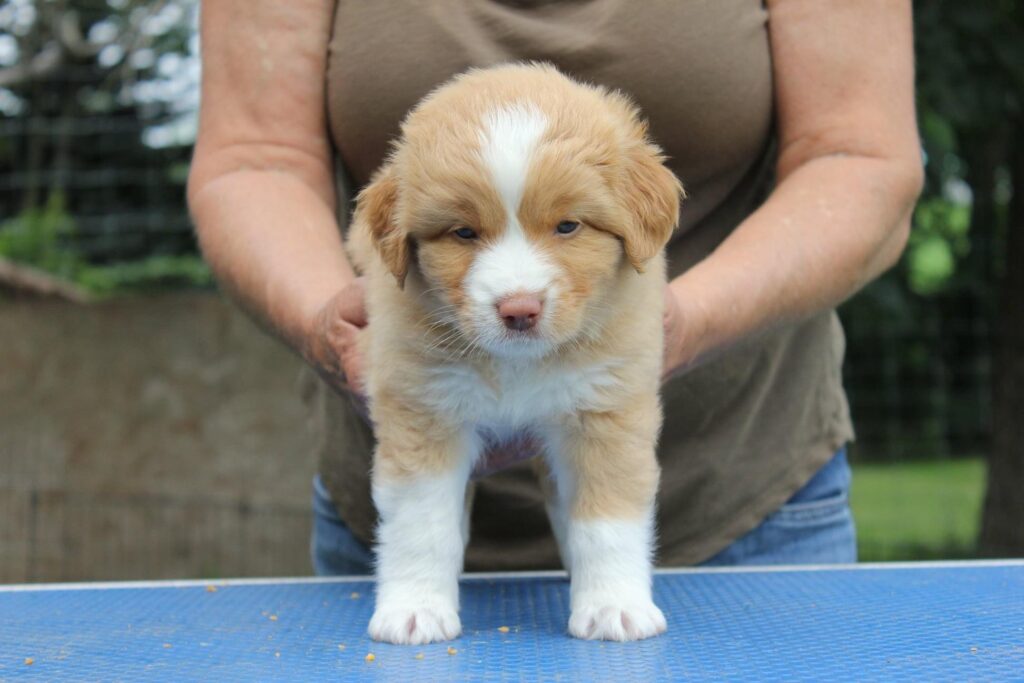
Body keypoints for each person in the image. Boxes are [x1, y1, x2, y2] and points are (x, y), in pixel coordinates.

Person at [188, 1, 923, 574]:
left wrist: (676, 326)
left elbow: (861, 158)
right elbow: (256, 156)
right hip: (394, 497)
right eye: (466, 235)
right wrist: (332, 322)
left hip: (740, 503)